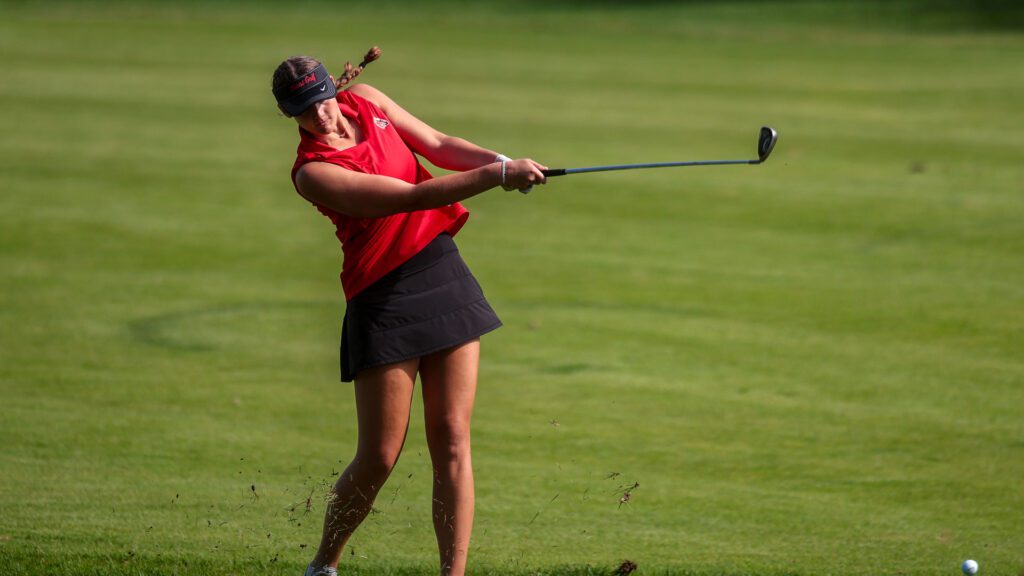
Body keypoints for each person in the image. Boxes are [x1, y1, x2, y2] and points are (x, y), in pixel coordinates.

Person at [271, 47, 546, 576]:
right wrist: (497, 177)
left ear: (334, 88)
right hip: (383, 298)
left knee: (451, 437)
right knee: (378, 456)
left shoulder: (367, 100)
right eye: (306, 112)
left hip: (440, 272)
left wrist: (503, 162)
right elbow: (407, 198)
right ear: (290, 116)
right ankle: (324, 566)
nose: (322, 116)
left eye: (324, 101)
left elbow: (440, 146)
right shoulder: (312, 173)